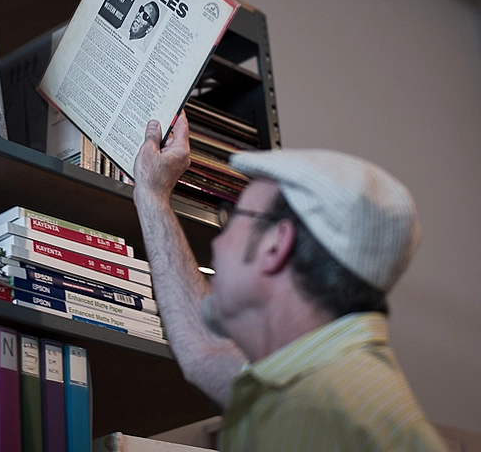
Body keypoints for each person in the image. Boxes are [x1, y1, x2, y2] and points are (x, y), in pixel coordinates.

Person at [132, 112, 447, 451]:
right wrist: (152, 195)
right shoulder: (331, 381)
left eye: (233, 217)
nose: (217, 243)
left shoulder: (316, 415)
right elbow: (207, 352)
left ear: (276, 244)